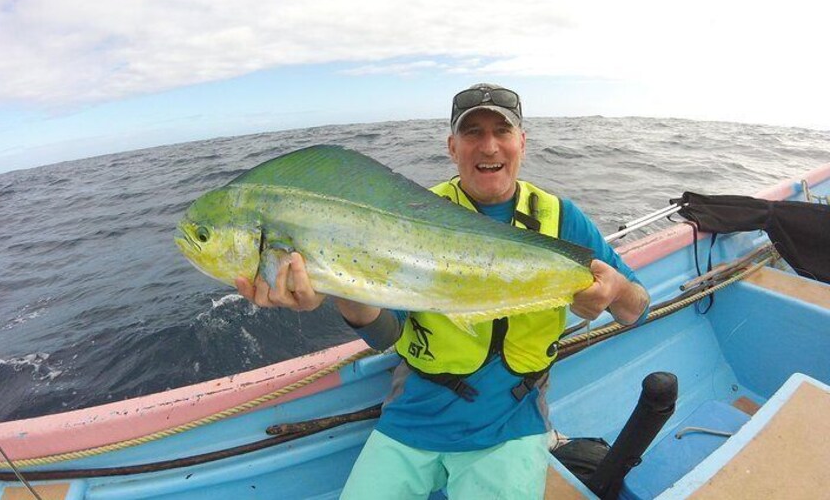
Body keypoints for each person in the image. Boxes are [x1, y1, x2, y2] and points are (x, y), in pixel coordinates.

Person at [236, 83, 650, 499]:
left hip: (510, 424)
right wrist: (337, 284)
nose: (489, 147)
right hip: (413, 417)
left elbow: (637, 309)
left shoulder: (563, 220)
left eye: (501, 132)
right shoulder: (408, 215)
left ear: (521, 142)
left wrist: (614, 289)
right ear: (452, 147)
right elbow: (385, 334)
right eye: (472, 133)